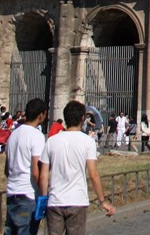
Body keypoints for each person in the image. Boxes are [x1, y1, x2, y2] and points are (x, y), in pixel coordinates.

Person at [38, 100, 115, 235]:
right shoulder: (88, 142)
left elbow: (43, 176)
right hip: (77, 201)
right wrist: (102, 201)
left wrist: (43, 200)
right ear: (82, 118)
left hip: (55, 201)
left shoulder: (51, 141)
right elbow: (93, 174)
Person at [5, 98, 48, 235]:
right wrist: (44, 194)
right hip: (28, 194)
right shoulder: (37, 136)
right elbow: (36, 172)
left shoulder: (13, 134)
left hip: (12, 193)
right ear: (41, 115)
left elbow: (6, 169)